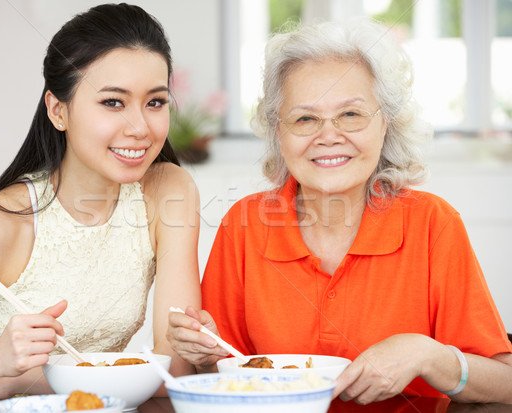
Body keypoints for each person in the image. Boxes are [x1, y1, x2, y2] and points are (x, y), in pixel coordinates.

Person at [167, 18, 512, 404]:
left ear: (385, 125)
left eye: (351, 114)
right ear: (279, 134)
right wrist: (204, 357)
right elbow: (223, 378)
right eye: (305, 118)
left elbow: (505, 384)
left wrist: (427, 355)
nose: (328, 135)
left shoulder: (433, 224)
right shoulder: (243, 227)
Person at [0, 3, 200, 407]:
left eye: (155, 102)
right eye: (113, 102)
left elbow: (175, 368)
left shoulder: (170, 190)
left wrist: (26, 378)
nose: (140, 128)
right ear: (58, 110)